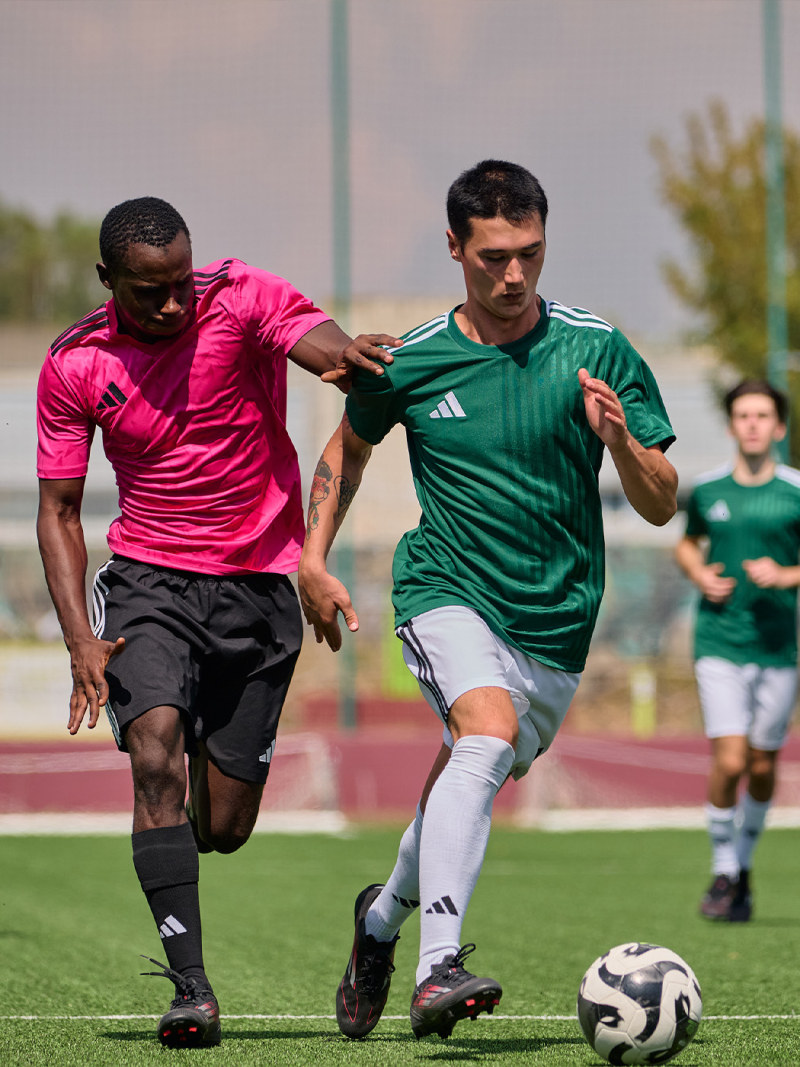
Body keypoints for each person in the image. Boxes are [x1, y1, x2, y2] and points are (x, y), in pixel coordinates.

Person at [298, 160, 678, 1041]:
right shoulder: (412, 358)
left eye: (531, 255)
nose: (514, 276)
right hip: (447, 587)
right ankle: (439, 966)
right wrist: (311, 557)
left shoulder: (597, 346)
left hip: (558, 624)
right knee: (486, 732)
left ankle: (378, 922)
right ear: (455, 248)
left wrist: (620, 442)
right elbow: (346, 451)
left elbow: (661, 502)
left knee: (472, 765)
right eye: (494, 257)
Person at [35, 196, 397, 1048]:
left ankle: (197, 789)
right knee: (153, 752)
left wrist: (347, 355)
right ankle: (190, 985)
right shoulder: (76, 362)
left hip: (259, 587)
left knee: (223, 829)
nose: (173, 304)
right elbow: (59, 511)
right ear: (107, 281)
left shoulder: (240, 298)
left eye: (180, 284)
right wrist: (79, 638)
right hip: (149, 585)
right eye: (149, 291)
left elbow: (321, 345)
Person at [675, 379, 800, 923]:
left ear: (779, 427)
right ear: (731, 426)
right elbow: (686, 541)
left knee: (763, 763)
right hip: (719, 642)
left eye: (762, 415)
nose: (752, 423)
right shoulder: (707, 490)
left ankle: (743, 870)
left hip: (778, 647)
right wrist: (700, 572)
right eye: (743, 415)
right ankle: (725, 869)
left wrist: (786, 574)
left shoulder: (796, 490)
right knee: (730, 759)